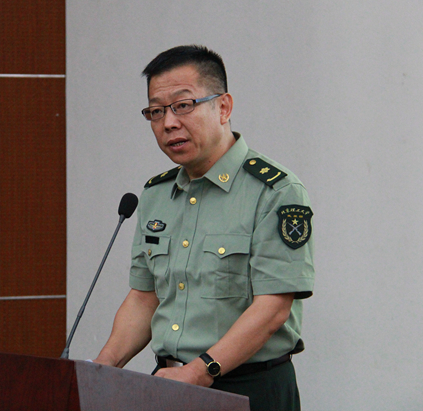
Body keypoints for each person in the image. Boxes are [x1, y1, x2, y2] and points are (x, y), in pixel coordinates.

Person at [94, 45, 314, 411]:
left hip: (248, 388)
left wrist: (200, 371)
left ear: (223, 107)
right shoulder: (156, 194)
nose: (168, 123)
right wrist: (101, 369)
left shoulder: (275, 191)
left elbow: (273, 307)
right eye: (156, 111)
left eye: (183, 105)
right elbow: (144, 298)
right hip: (168, 385)